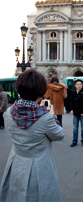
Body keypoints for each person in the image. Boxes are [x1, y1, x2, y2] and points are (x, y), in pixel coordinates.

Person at [0, 69, 65, 202]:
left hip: (16, 162)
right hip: (40, 165)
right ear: (40, 93)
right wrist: (52, 115)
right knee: (40, 195)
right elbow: (60, 134)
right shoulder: (45, 118)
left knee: (16, 194)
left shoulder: (9, 112)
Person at [70, 79, 83, 147]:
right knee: (75, 128)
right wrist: (71, 109)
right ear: (75, 85)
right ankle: (74, 141)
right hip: (75, 112)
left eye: (80, 84)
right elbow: (71, 101)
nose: (79, 85)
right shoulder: (73, 92)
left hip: (82, 113)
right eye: (78, 84)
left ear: (82, 85)